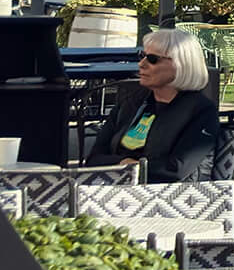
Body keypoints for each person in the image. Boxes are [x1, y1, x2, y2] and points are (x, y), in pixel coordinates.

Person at [88, 26, 223, 181]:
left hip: (173, 193)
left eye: (152, 59)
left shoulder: (201, 111)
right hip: (117, 186)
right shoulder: (131, 103)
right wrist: (125, 163)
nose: (142, 64)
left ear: (180, 64)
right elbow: (93, 159)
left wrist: (130, 168)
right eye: (142, 56)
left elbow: (176, 170)